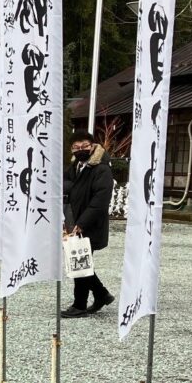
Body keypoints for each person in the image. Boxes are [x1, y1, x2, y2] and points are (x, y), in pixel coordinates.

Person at [62, 131, 115, 318]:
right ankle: (101, 295)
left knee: (79, 263)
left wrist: (82, 223)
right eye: (76, 147)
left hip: (90, 224)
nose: (80, 150)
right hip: (75, 222)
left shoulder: (102, 169)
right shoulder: (76, 165)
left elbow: (101, 200)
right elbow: (65, 182)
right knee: (80, 262)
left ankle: (80, 305)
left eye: (84, 146)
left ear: (93, 146)